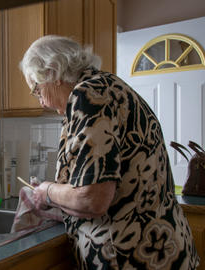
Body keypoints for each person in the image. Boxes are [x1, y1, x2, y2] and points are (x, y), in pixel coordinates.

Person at [19, 35, 199, 270]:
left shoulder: (89, 96)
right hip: (161, 250)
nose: (41, 102)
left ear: (53, 73)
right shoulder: (108, 86)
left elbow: (93, 197)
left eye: (36, 88)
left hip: (132, 257)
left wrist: (48, 191)